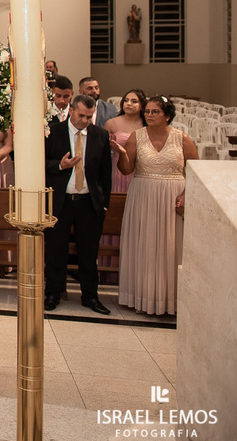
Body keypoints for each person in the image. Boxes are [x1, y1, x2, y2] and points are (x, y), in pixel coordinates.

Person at [117, 96, 198, 316]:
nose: (149, 115)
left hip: (172, 199)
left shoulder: (182, 139)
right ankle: (142, 297)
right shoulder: (136, 137)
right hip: (143, 197)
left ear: (167, 116)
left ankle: (171, 300)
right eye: (147, 111)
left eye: (155, 112)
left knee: (170, 248)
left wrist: (186, 195)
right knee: (145, 245)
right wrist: (122, 154)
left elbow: (196, 172)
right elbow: (126, 170)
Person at [44, 95, 113, 315]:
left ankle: (90, 296)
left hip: (88, 203)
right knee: (55, 251)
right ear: (71, 110)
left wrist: (104, 204)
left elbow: (105, 173)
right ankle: (53, 293)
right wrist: (60, 165)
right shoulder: (53, 132)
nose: (84, 120)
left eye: (89, 117)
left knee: (88, 253)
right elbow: (40, 163)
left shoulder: (100, 135)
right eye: (81, 115)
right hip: (61, 201)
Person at [100, 88, 147, 278]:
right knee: (114, 215)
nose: (129, 104)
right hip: (116, 173)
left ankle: (133, 270)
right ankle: (109, 270)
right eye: (127, 100)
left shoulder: (146, 124)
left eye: (134, 101)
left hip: (139, 173)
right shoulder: (112, 123)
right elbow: (100, 150)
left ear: (142, 105)